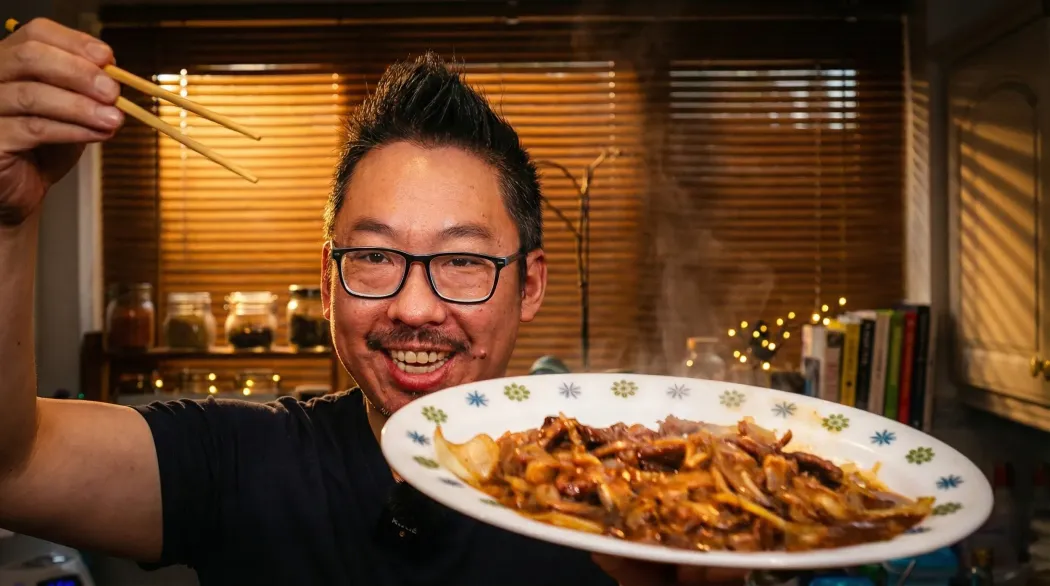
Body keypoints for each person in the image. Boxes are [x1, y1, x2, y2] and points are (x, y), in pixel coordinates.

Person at [0, 18, 748, 586]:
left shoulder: (626, 488)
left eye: (461, 260)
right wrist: (8, 217)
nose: (415, 308)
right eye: (376, 256)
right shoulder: (243, 461)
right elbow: (15, 467)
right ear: (328, 282)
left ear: (532, 283)